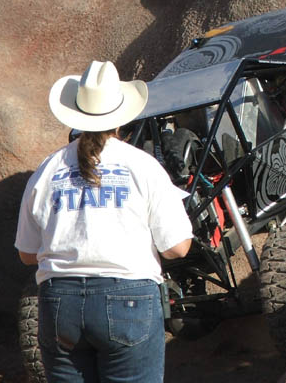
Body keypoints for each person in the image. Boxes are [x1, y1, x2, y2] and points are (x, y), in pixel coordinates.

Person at [15, 60, 193, 383]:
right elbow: (178, 248)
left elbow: (27, 254)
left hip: (60, 303)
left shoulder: (47, 170)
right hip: (129, 299)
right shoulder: (143, 166)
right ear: (121, 118)